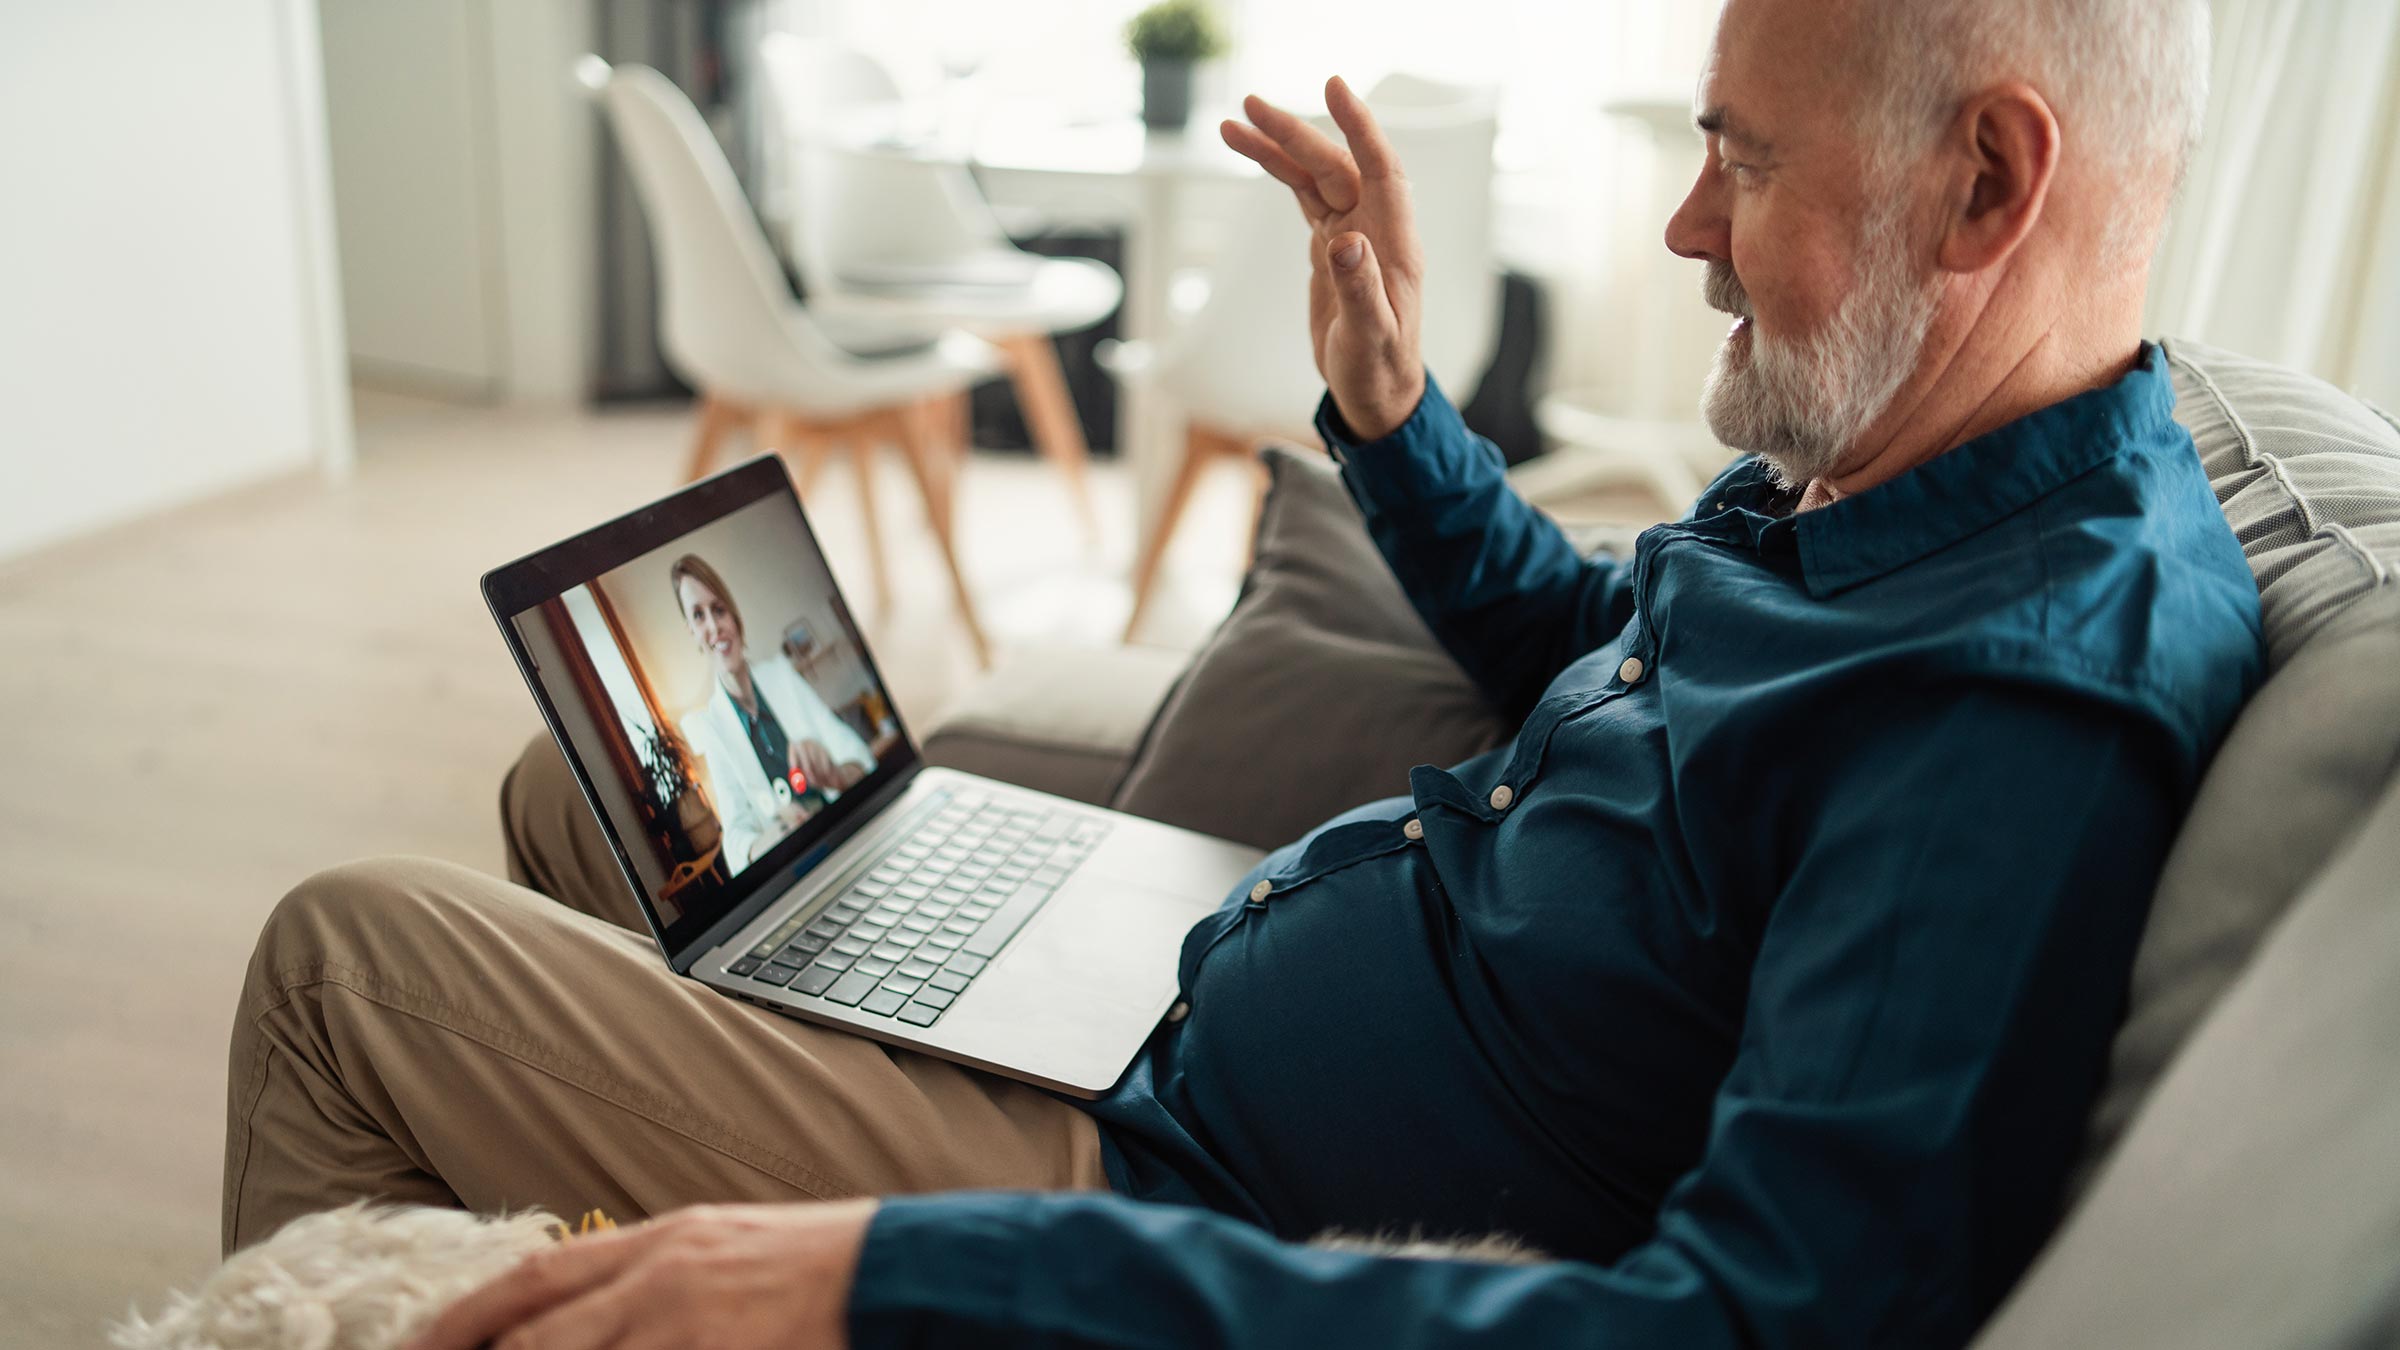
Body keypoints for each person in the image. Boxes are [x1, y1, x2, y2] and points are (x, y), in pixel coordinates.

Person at [220, 2, 2263, 1347]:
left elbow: (1744, 1328)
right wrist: (1395, 412)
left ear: (1988, 181)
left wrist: (905, 1274)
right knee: (579, 791)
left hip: (1171, 1196)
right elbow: (1603, 655)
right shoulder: (1913, 478)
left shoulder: (2011, 703)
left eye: (1742, 156)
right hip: (1162, 989)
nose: (1680, 224)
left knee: (346, 964)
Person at [667, 554, 875, 869]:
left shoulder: (783, 675)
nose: (714, 626)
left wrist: (836, 775)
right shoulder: (712, 727)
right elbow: (736, 841)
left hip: (846, 837)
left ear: (734, 616)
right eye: (698, 615)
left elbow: (859, 756)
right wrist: (771, 839)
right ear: (691, 631)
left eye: (719, 610)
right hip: (794, 870)